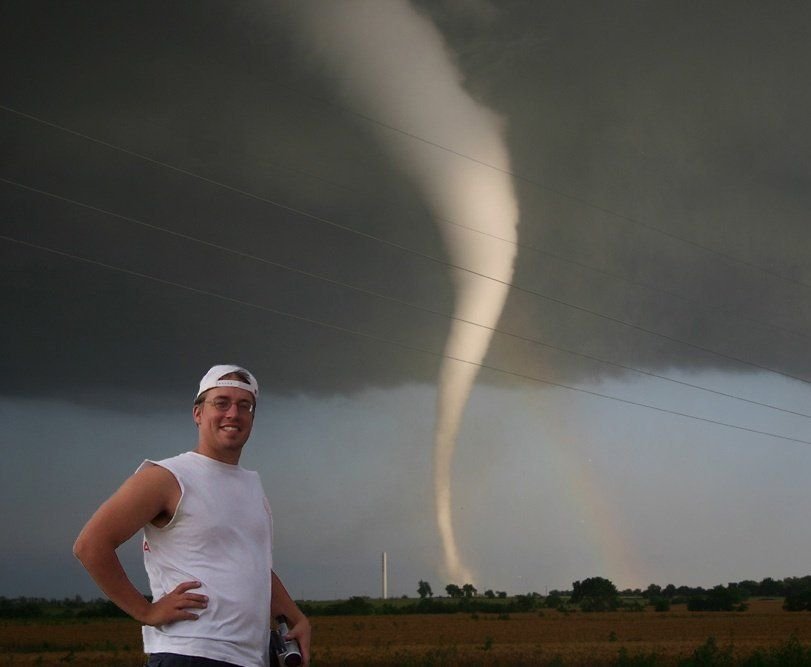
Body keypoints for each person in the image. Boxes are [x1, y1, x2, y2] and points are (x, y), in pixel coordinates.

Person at [74, 364, 311, 667]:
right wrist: (146, 611)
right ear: (198, 413)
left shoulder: (251, 485)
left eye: (244, 406)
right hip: (189, 653)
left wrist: (296, 617)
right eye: (221, 403)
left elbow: (252, 566)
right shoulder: (168, 477)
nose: (233, 414)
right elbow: (90, 545)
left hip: (250, 657)